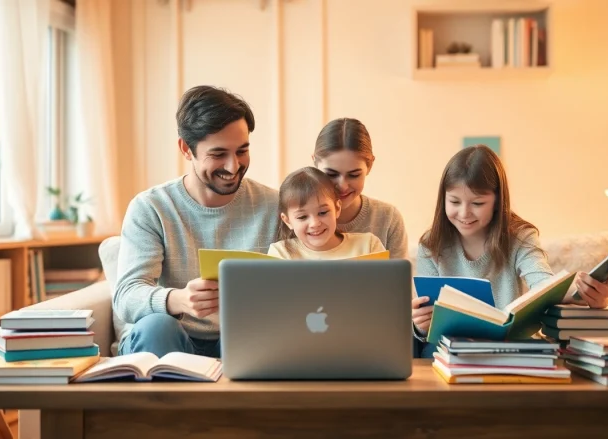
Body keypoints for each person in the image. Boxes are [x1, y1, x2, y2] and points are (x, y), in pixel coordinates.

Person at [113, 85, 279, 358]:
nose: (233, 166)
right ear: (186, 149)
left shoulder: (274, 206)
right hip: (168, 337)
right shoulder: (151, 207)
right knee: (157, 326)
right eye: (218, 154)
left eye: (242, 151)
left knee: (251, 332)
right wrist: (179, 299)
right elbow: (127, 296)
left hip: (241, 338)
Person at [411, 145, 608, 358]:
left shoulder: (520, 236)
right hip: (448, 350)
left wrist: (588, 296)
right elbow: (425, 325)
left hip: (508, 347)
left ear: (498, 201)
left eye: (478, 203)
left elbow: (543, 285)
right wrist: (420, 325)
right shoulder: (431, 244)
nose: (464, 213)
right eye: (454, 201)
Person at [312, 118, 408, 259]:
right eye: (331, 174)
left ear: (369, 166)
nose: (343, 186)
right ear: (315, 162)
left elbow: (399, 280)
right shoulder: (297, 215)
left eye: (354, 175)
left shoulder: (388, 218)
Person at [268, 166, 385, 260]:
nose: (314, 223)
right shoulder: (281, 253)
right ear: (287, 220)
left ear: (337, 209)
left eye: (323, 212)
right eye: (302, 217)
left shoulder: (368, 246)